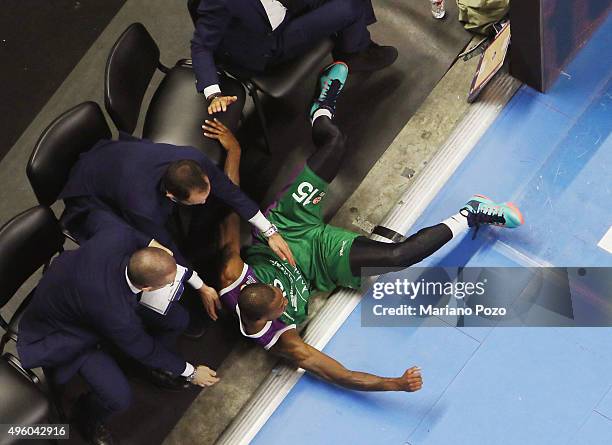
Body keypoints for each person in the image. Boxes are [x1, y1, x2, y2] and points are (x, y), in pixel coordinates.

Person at [205, 62, 523, 391]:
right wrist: (394, 383)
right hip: (321, 262)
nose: (284, 301)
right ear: (271, 317)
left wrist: (235, 150)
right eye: (281, 304)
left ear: (251, 285)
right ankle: (471, 213)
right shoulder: (277, 338)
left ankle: (322, 110)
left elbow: (230, 204)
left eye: (276, 294)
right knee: (399, 256)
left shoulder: (231, 274)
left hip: (287, 225)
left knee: (336, 145)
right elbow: (337, 373)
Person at [17, 211, 219, 445]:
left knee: (177, 320)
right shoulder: (118, 316)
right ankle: (86, 415)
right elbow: (145, 349)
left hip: (80, 290)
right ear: (146, 288)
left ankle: (154, 369)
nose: (171, 284)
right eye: (167, 283)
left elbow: (135, 235)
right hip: (64, 332)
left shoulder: (117, 235)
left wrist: (196, 282)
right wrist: (192, 373)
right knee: (119, 397)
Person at [59, 136, 296, 315]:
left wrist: (269, 231)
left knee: (218, 201)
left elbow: (229, 192)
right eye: (198, 201)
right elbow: (166, 249)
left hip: (123, 160)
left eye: (205, 193)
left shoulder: (194, 160)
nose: (205, 201)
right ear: (172, 196)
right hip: (90, 192)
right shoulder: (143, 207)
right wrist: (201, 286)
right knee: (134, 242)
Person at [191, 0, 399, 114]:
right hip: (270, 44)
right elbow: (201, 46)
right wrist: (213, 93)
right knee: (349, 6)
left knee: (352, 9)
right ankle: (355, 53)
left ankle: (355, 41)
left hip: (285, 7)